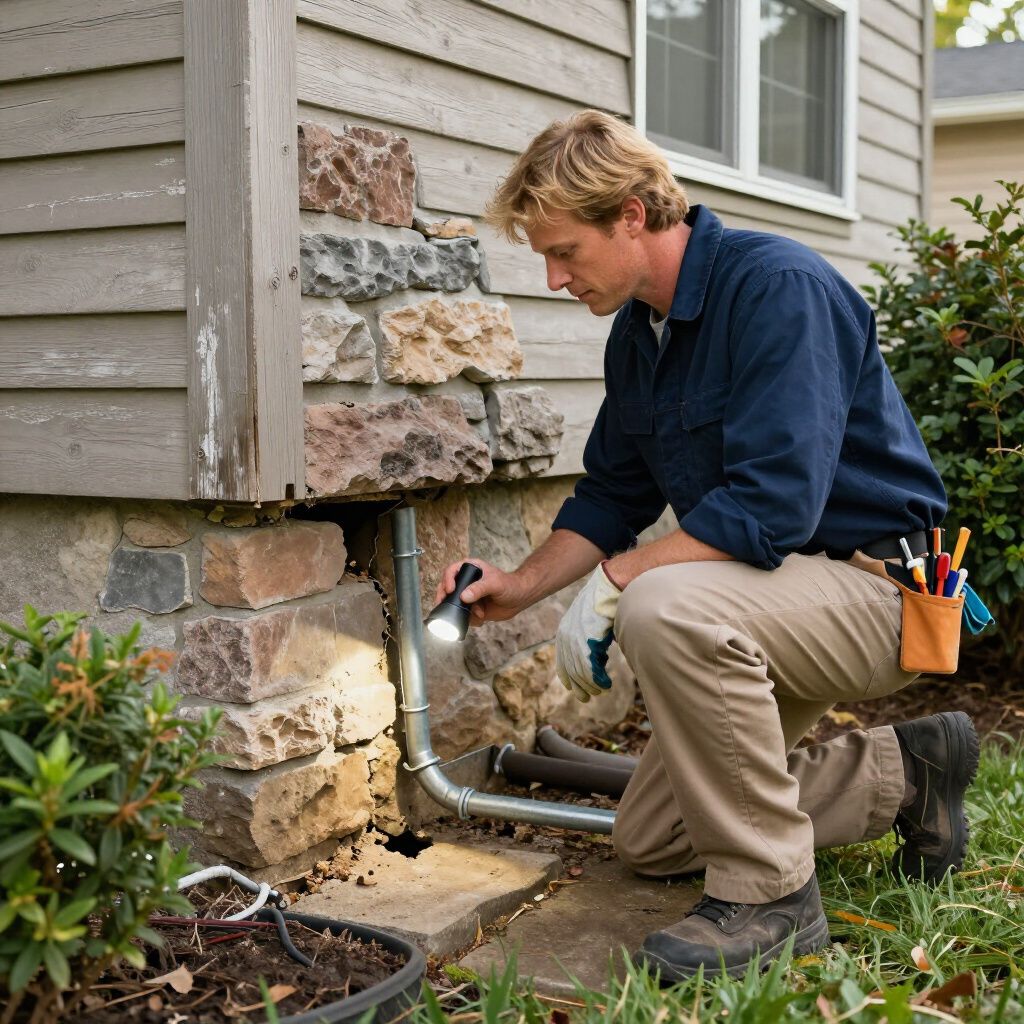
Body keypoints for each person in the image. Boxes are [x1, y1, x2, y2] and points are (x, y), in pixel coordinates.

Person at [434, 110, 978, 982]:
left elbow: (775, 507)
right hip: (776, 600)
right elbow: (616, 490)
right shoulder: (639, 334)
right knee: (652, 839)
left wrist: (618, 581)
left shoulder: (777, 289)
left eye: (565, 252)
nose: (552, 276)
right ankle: (909, 769)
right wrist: (521, 583)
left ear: (633, 215)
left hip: (881, 594)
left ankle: (771, 897)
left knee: (661, 603)